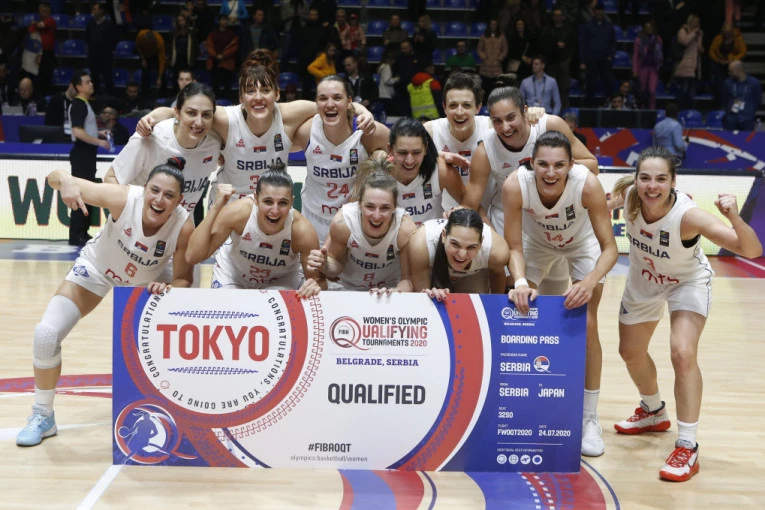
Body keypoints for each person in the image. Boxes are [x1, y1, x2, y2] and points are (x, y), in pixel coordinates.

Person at [16, 158, 196, 447]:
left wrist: (170, 287)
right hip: (98, 269)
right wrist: (66, 180)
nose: (159, 199)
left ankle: (171, 413)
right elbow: (53, 177)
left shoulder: (184, 226)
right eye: (154, 190)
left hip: (147, 284)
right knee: (46, 335)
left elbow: (184, 279)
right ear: (144, 189)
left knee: (165, 348)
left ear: (179, 201)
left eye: (168, 195)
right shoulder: (123, 198)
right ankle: (42, 416)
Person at [609, 146, 762, 481]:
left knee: (682, 353)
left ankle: (687, 445)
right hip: (644, 280)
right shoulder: (629, 198)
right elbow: (589, 205)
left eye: (660, 179)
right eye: (645, 178)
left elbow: (752, 250)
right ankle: (653, 410)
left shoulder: (689, 216)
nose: (652, 186)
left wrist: (735, 217)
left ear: (673, 181)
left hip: (686, 283)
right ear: (636, 180)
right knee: (630, 352)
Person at [504, 131, 618, 457]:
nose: (550, 172)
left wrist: (589, 281)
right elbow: (514, 247)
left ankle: (588, 417)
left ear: (571, 165)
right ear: (531, 163)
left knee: (588, 323)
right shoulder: (515, 185)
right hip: (536, 245)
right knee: (516, 311)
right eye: (543, 164)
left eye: (558, 165)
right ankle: (520, 403)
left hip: (582, 245)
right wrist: (520, 281)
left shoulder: (587, 184)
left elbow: (610, 248)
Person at [136, 49, 375, 201]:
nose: (258, 98)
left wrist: (364, 112)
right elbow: (180, 111)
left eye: (265, 90)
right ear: (241, 97)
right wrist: (153, 116)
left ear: (277, 94)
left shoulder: (290, 114)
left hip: (271, 209)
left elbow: (333, 105)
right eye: (250, 91)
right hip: (229, 207)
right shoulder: (226, 119)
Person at [186, 166, 324, 297]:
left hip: (282, 280)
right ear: (256, 199)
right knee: (226, 306)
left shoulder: (302, 231)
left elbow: (318, 282)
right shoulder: (238, 212)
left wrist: (314, 286)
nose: (275, 210)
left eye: (282, 203)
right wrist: (216, 208)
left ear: (291, 202)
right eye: (268, 202)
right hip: (233, 274)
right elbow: (192, 257)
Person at [292, 75, 389, 242]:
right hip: (313, 221)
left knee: (381, 157)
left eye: (337, 98)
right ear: (316, 103)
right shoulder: (307, 131)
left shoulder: (368, 132)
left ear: (349, 101)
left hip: (354, 221)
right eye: (323, 98)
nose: (330, 104)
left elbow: (403, 154)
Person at [105, 82, 221, 221]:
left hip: (179, 230)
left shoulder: (215, 144)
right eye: (191, 113)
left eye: (206, 115)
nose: (199, 122)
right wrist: (132, 221)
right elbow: (111, 179)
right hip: (134, 226)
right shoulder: (150, 137)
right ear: (177, 112)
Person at [307, 159, 417, 292]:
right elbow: (337, 264)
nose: (376, 216)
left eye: (384, 208)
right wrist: (325, 265)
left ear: (395, 208)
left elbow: (408, 280)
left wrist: (394, 293)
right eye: (370, 207)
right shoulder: (344, 222)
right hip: (347, 289)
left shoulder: (405, 228)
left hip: (388, 291)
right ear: (359, 205)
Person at [409, 208, 511, 299]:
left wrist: (497, 306)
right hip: (433, 270)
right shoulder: (421, 244)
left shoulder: (497, 253)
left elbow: (497, 276)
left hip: (474, 276)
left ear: (481, 243)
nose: (462, 255)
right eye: (455, 244)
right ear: (444, 235)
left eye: (471, 247)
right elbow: (422, 299)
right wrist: (429, 296)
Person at [387, 117, 467, 226]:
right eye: (402, 153)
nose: (409, 161)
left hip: (434, 236)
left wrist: (459, 211)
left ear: (425, 148)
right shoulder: (379, 174)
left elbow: (469, 203)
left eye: (416, 152)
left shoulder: (440, 170)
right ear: (390, 149)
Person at [69, 71, 111, 246]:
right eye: (87, 82)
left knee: (85, 192)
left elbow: (84, 129)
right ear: (79, 86)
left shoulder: (84, 103)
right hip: (82, 152)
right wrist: (98, 141)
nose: (91, 84)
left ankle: (82, 231)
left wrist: (98, 133)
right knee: (80, 192)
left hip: (86, 153)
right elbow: (77, 131)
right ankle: (76, 233)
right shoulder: (79, 104)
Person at [722, 60, 762, 132]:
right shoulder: (727, 83)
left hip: (747, 117)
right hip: (731, 117)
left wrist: (750, 111)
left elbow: (758, 100)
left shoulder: (754, 83)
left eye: (731, 71)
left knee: (747, 138)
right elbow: (725, 99)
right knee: (729, 138)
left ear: (739, 70)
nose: (729, 73)